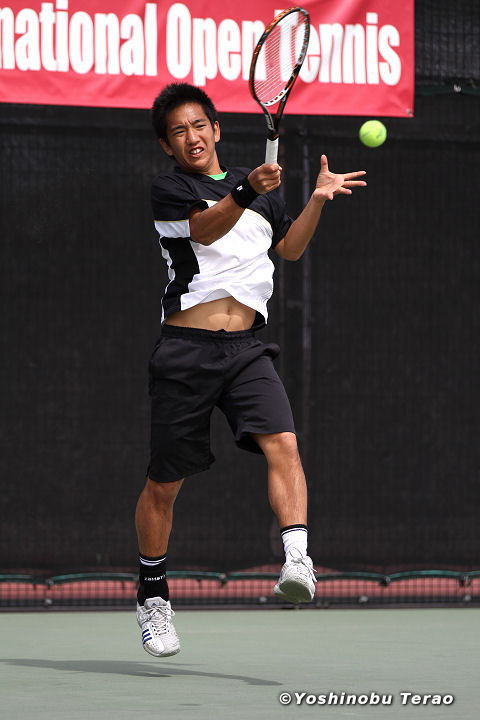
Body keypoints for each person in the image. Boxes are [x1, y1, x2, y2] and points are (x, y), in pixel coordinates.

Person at [135, 82, 366, 657]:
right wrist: (245, 188)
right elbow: (204, 228)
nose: (191, 137)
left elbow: (289, 250)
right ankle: (153, 596)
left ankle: (297, 559)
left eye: (199, 126)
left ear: (216, 129)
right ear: (167, 145)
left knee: (284, 443)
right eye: (178, 131)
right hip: (186, 350)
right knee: (164, 485)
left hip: (245, 350)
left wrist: (316, 200)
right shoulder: (171, 189)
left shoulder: (258, 188)